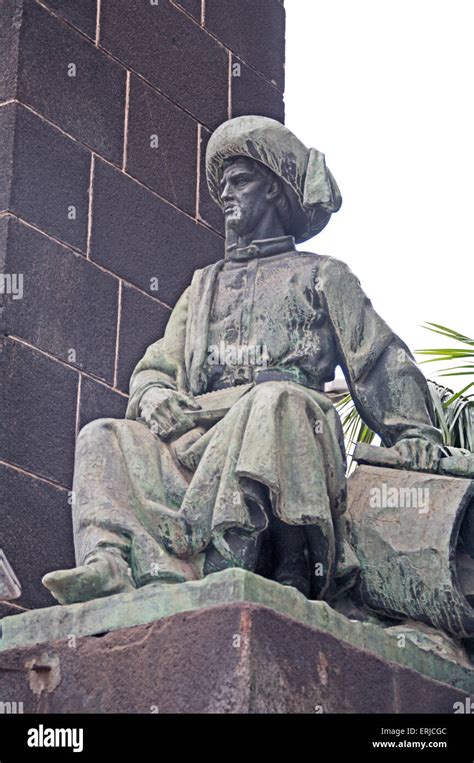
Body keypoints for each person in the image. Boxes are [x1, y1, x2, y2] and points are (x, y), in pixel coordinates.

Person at [43, 116, 442, 605]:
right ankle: (110, 561)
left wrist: (414, 432)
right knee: (102, 434)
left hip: (290, 427)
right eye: (222, 185)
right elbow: (156, 367)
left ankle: (281, 563)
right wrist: (155, 395)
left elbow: (378, 357)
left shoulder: (321, 276)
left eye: (240, 181)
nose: (226, 194)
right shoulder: (203, 284)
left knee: (274, 402)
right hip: (201, 434)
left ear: (275, 191)